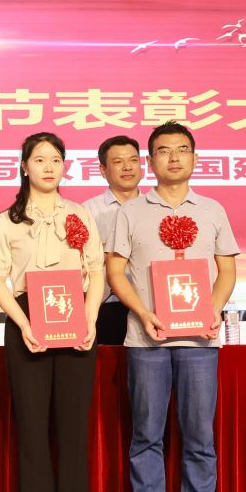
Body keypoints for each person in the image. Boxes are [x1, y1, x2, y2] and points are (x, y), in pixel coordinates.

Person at [105, 122, 238, 492]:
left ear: (195, 158)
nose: (174, 157)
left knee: (200, 432)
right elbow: (114, 270)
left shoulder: (213, 209)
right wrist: (143, 313)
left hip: (200, 340)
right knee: (147, 431)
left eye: (183, 149)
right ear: (151, 160)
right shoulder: (130, 212)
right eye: (164, 150)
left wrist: (212, 309)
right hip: (147, 340)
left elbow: (227, 269)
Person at [0, 132, 106, 492]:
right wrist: (22, 323)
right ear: (24, 167)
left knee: (73, 428)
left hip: (74, 314)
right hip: (27, 319)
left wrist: (90, 319)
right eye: (39, 160)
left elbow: (96, 271)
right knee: (33, 429)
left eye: (56, 159)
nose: (49, 167)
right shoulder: (7, 220)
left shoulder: (80, 214)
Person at [82, 134, 144, 346]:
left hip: (151, 304)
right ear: (103, 170)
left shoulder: (156, 207)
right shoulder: (87, 211)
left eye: (133, 160)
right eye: (118, 162)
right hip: (106, 305)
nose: (127, 167)